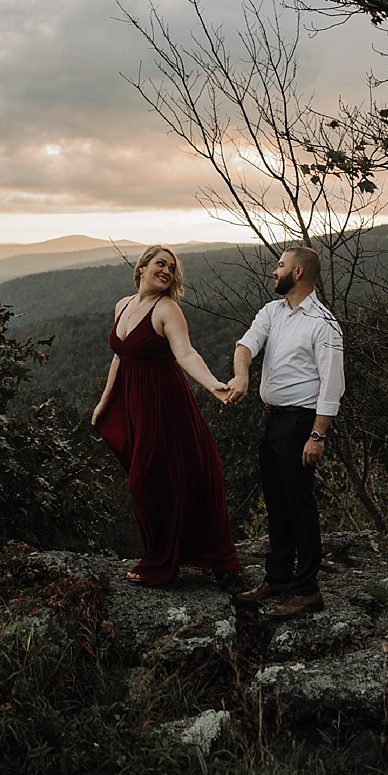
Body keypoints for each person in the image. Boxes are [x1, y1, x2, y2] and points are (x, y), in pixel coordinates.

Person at [92, 245, 243, 588]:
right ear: (142, 267)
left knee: (151, 478)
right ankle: (161, 554)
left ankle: (165, 561)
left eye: (172, 268)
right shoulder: (123, 305)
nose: (167, 271)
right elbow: (120, 357)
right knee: (146, 478)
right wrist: (104, 404)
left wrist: (212, 385)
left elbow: (186, 352)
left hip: (164, 404)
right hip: (133, 402)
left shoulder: (167, 309)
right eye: (160, 264)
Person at [225, 245, 345, 619]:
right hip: (271, 419)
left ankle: (307, 589)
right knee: (276, 502)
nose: (273, 272)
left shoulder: (323, 324)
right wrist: (242, 375)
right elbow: (246, 344)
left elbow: (332, 384)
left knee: (299, 505)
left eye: (280, 266)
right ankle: (277, 577)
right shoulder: (272, 312)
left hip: (300, 424)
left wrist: (317, 435)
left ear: (297, 273)